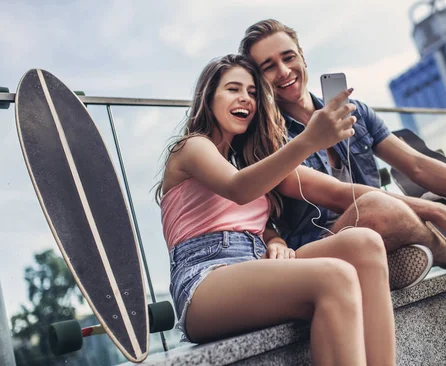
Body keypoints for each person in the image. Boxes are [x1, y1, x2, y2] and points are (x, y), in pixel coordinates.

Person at [239, 19, 446, 271]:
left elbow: (416, 165)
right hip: (326, 241)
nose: (283, 71)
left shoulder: (355, 110)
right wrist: (440, 214)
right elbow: (341, 196)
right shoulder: (264, 141)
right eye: (268, 66)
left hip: (384, 216)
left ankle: (403, 251)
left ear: (302, 57)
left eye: (288, 57)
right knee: (379, 206)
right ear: (258, 78)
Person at [156, 54, 397, 365]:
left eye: (253, 92)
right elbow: (239, 190)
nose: (245, 98)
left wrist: (274, 240)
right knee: (335, 276)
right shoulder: (191, 147)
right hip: (204, 282)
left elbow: (248, 221)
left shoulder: (244, 165)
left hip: (253, 263)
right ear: (208, 96)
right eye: (233, 89)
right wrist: (309, 141)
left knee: (364, 243)